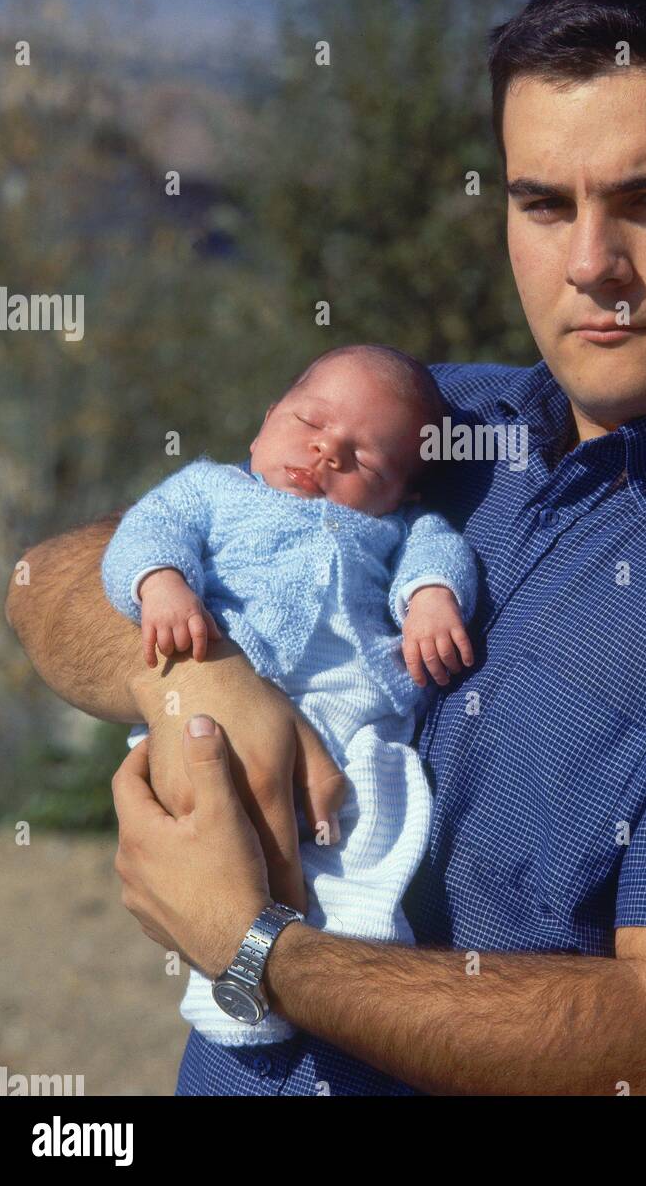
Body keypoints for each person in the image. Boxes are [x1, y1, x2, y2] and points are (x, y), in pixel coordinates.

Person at [7, 0, 646, 1096]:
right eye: (543, 203)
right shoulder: (427, 426)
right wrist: (197, 683)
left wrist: (257, 946)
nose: (590, 266)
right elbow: (47, 581)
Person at [99, 342, 477, 1045]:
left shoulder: (397, 528)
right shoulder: (213, 488)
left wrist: (429, 598)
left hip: (351, 717)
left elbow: (438, 548)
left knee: (375, 818)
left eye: (364, 459)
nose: (327, 452)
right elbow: (145, 530)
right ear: (266, 419)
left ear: (401, 492)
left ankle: (359, 951)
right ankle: (230, 988)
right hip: (215, 706)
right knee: (219, 845)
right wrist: (162, 583)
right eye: (310, 421)